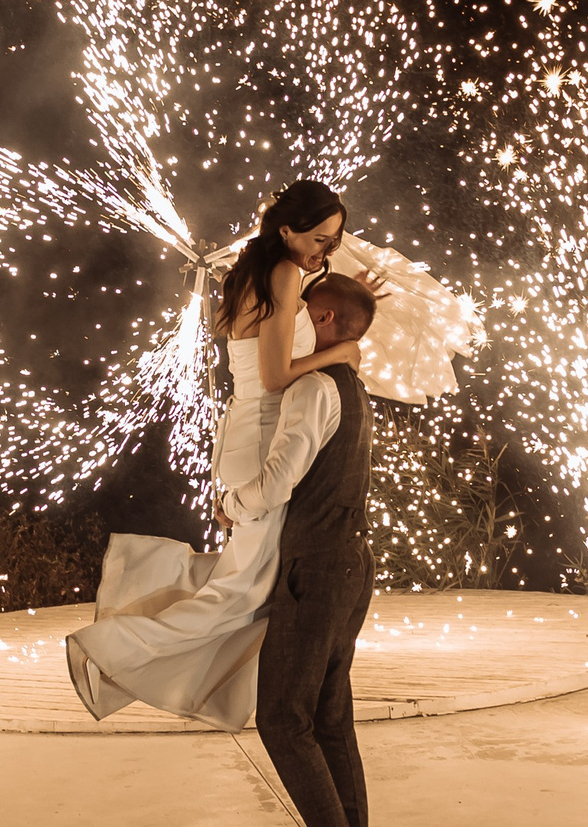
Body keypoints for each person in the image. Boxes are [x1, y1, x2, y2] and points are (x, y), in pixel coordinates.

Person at [64, 182, 363, 729]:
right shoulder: (284, 274)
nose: (326, 252)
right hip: (262, 438)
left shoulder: (252, 273)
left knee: (248, 585)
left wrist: (344, 304)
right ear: (287, 230)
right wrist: (343, 349)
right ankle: (110, 648)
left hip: (244, 437)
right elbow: (276, 377)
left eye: (334, 242)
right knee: (239, 593)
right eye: (320, 239)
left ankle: (150, 648)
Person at [218, 271, 382, 827]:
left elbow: (278, 481)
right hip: (349, 565)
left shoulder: (314, 387)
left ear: (333, 322)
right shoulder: (353, 384)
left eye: (306, 312)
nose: (291, 322)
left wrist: (231, 503)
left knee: (283, 718)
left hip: (314, 570)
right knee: (330, 718)